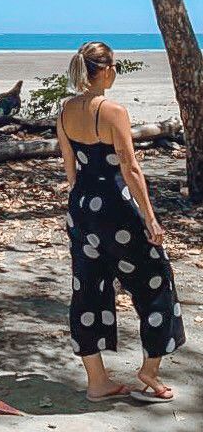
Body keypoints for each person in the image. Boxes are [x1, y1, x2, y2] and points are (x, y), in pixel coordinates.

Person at [56, 41, 185, 402]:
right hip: (116, 208)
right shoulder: (113, 111)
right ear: (107, 70)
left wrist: (81, 206)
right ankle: (150, 370)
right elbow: (130, 168)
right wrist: (151, 218)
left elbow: (70, 166)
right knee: (156, 281)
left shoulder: (65, 109)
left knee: (88, 290)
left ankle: (97, 382)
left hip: (81, 207)